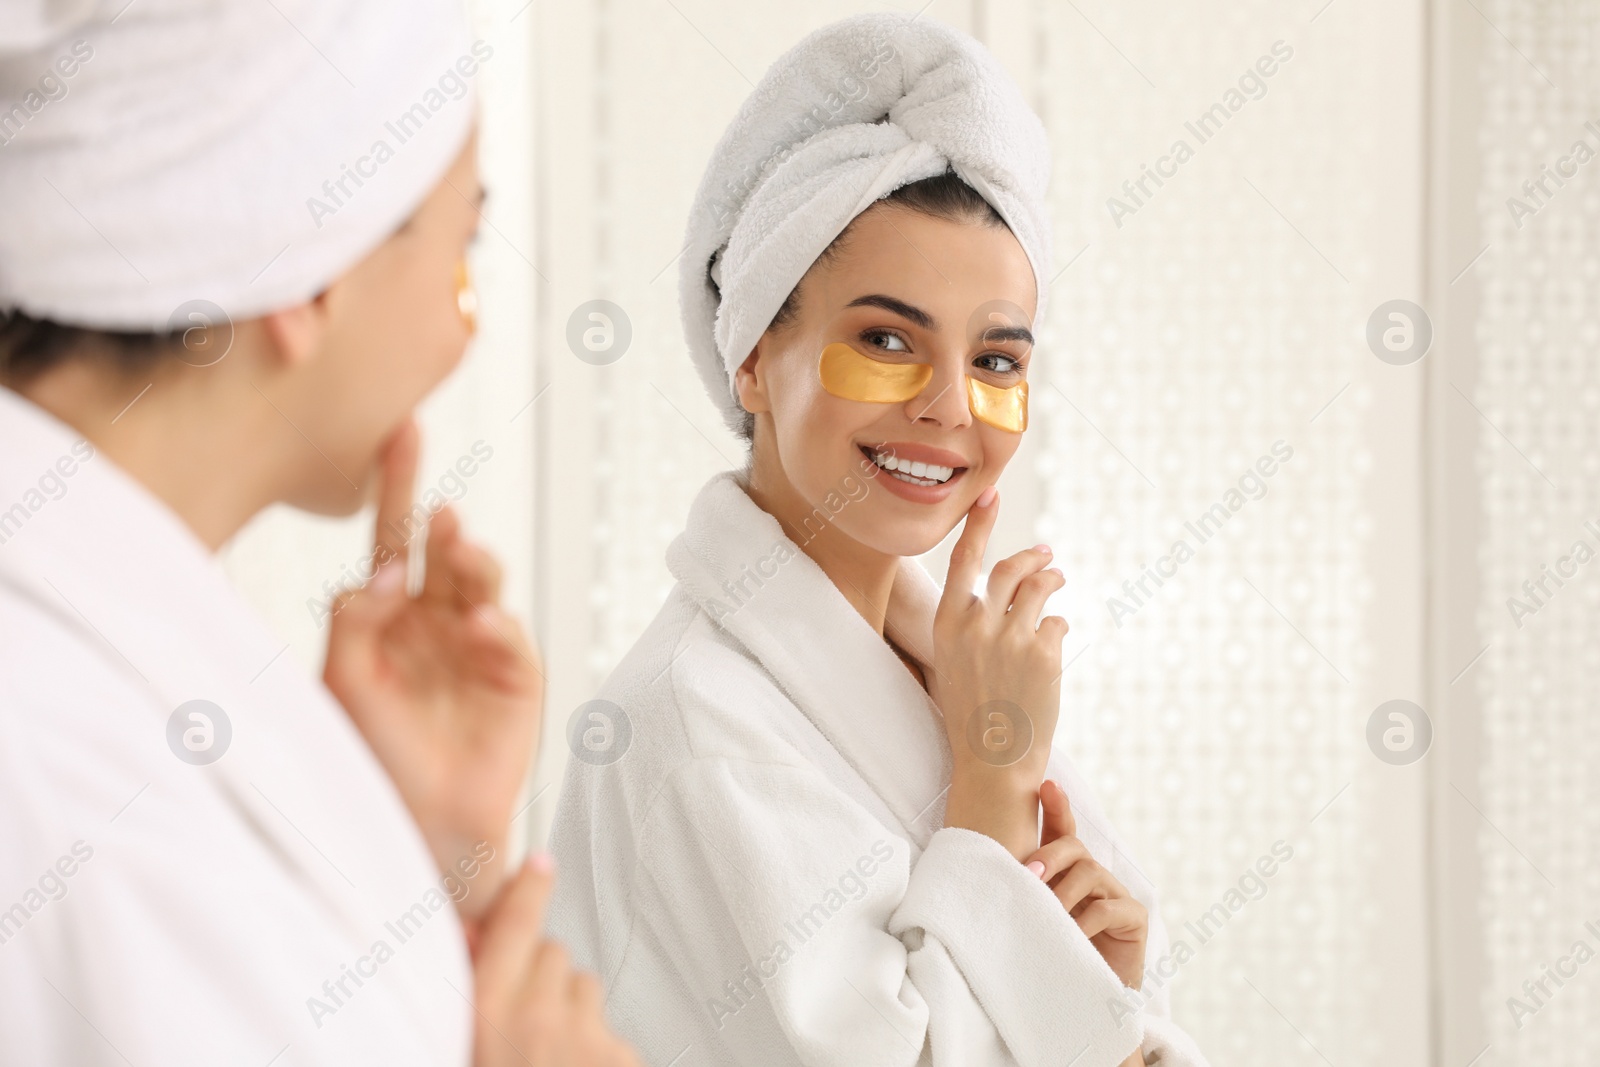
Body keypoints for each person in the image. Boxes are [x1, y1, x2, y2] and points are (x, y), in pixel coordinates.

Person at [545, 13, 1210, 1067]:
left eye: (995, 359)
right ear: (756, 358)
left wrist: (1106, 983)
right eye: (887, 340)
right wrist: (991, 788)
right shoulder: (686, 721)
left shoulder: (942, 668)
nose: (950, 405)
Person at [0, 3, 634, 1064]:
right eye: (464, 245)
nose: (462, 325)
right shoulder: (73, 769)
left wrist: (405, 853)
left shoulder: (104, 662)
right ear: (309, 268)